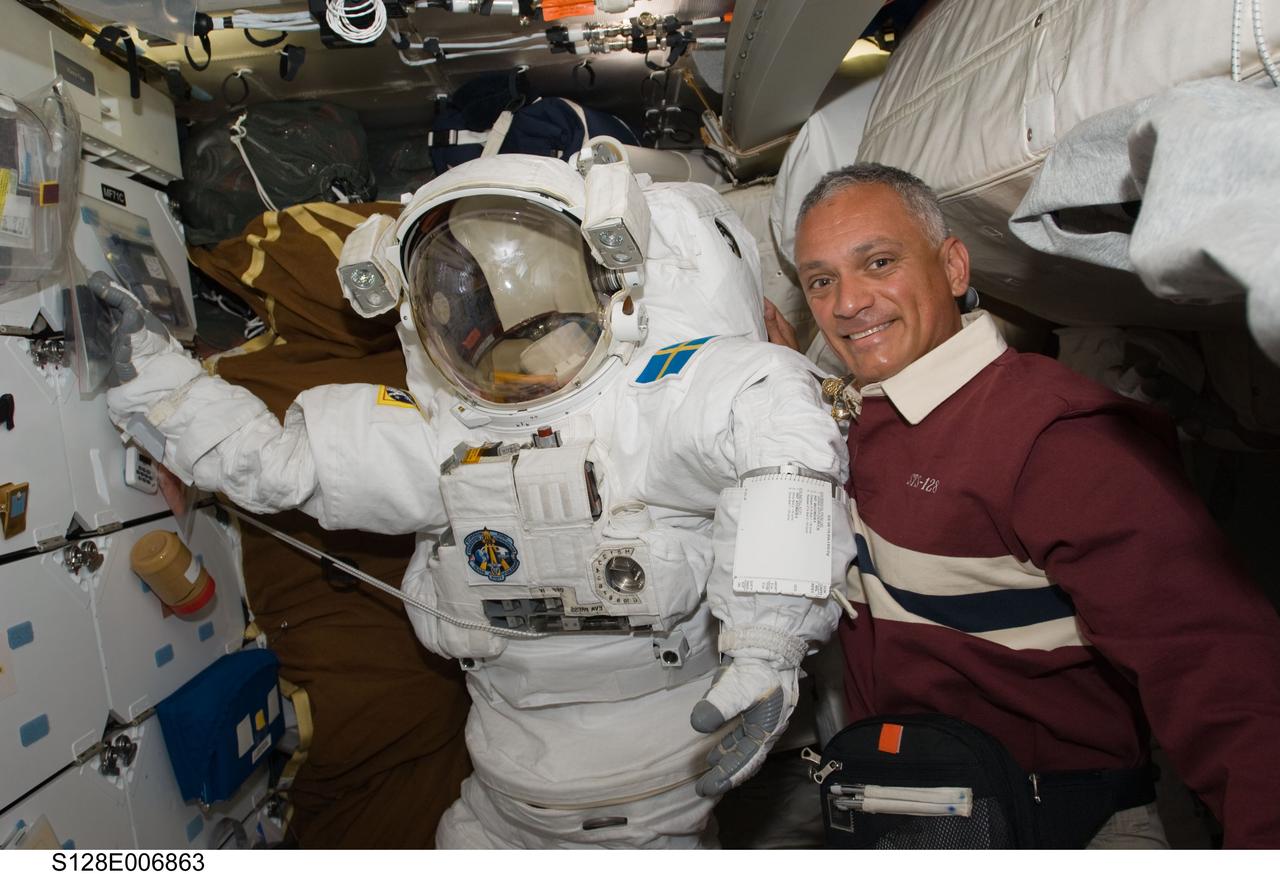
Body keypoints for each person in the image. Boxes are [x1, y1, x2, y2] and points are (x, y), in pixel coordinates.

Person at [90, 154, 853, 848]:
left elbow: (779, 429)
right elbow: (276, 463)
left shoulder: (654, 401)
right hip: (500, 800)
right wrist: (149, 374)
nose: (509, 329)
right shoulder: (442, 436)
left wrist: (766, 647)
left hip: (658, 797)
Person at [764, 162, 1280, 848]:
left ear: (953, 267)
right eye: (821, 281)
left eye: (879, 262)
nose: (847, 303)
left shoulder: (1058, 439)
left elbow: (1225, 682)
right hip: (906, 816)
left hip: (1058, 826)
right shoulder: (861, 424)